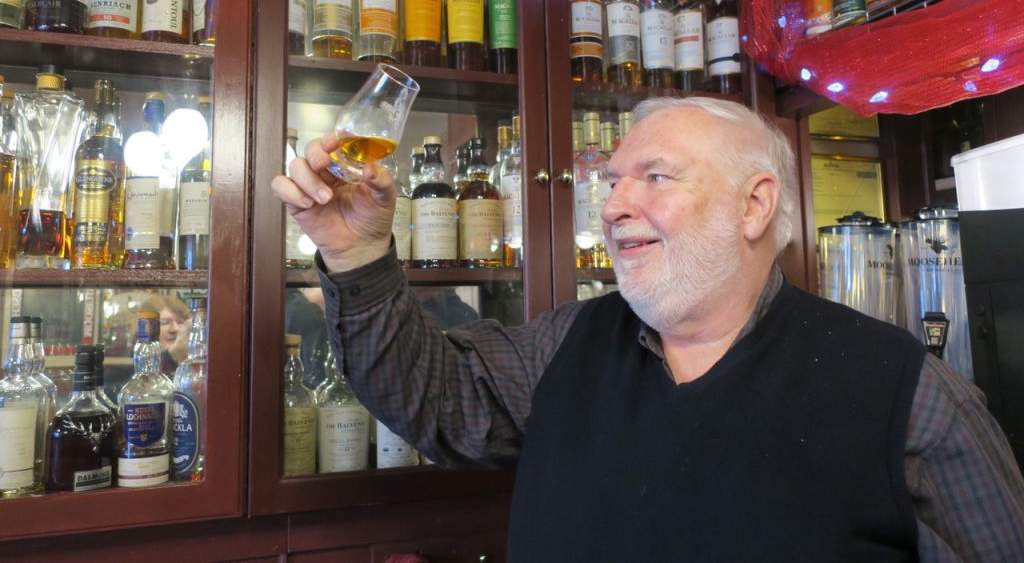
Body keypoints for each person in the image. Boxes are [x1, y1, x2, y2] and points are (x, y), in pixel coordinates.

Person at [272, 97, 1024, 561]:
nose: (612, 206)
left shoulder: (912, 400)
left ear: (754, 206)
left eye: (655, 177)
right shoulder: (567, 343)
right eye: (613, 181)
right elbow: (431, 399)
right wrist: (356, 251)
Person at [140, 295, 190, 377]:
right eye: (165, 323)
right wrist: (172, 355)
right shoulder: (129, 358)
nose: (175, 329)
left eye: (180, 322)